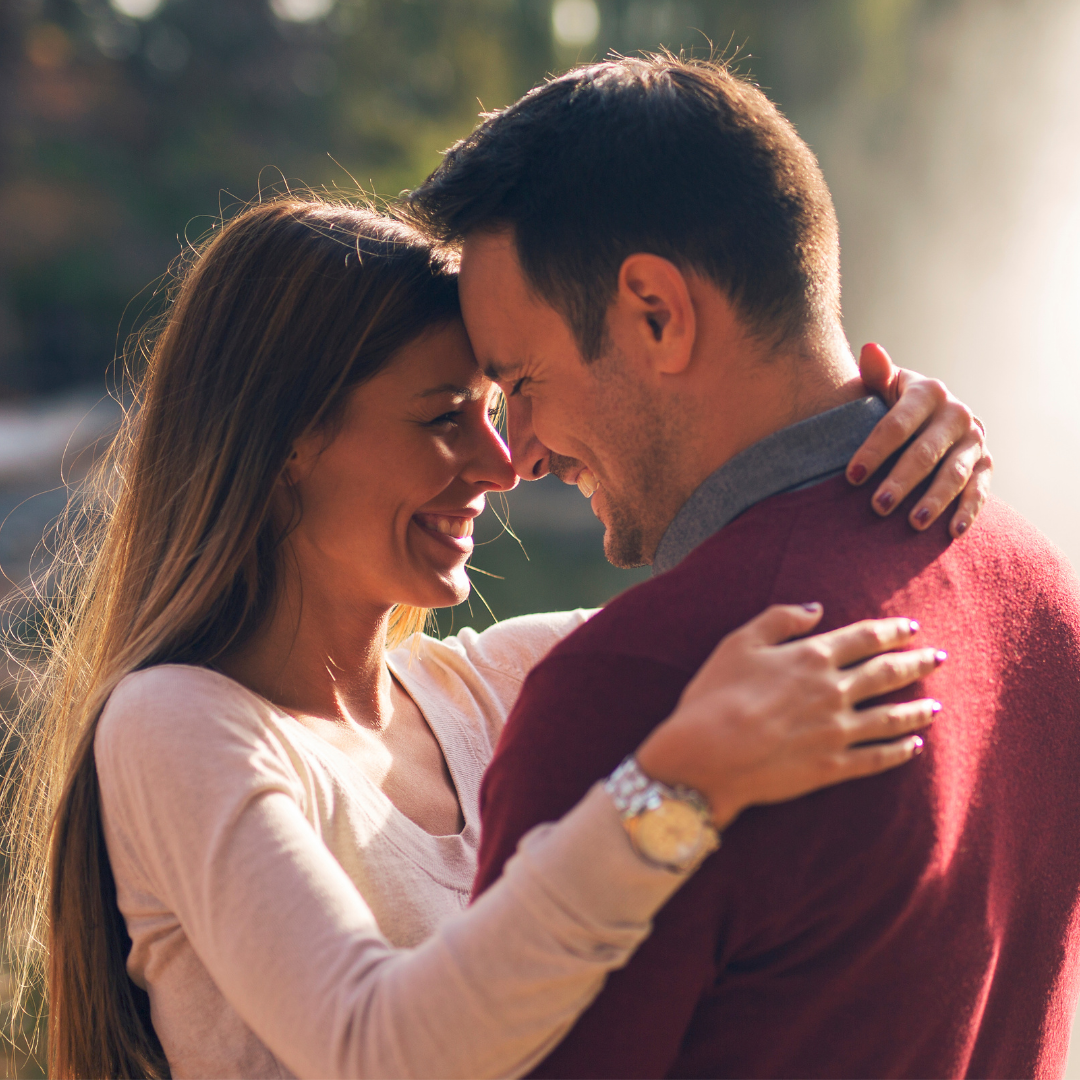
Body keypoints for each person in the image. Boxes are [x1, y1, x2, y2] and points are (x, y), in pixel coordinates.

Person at [1, 198, 982, 1080]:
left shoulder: (508, 681)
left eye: (496, 411)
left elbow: (773, 589)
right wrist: (679, 789)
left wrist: (887, 434)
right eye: (444, 420)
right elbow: (379, 1049)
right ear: (288, 441)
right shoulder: (177, 724)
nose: (504, 465)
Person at [406, 54, 1080, 1079]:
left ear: (656, 315)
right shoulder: (1041, 594)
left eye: (523, 381)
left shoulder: (641, 694)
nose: (522, 451)